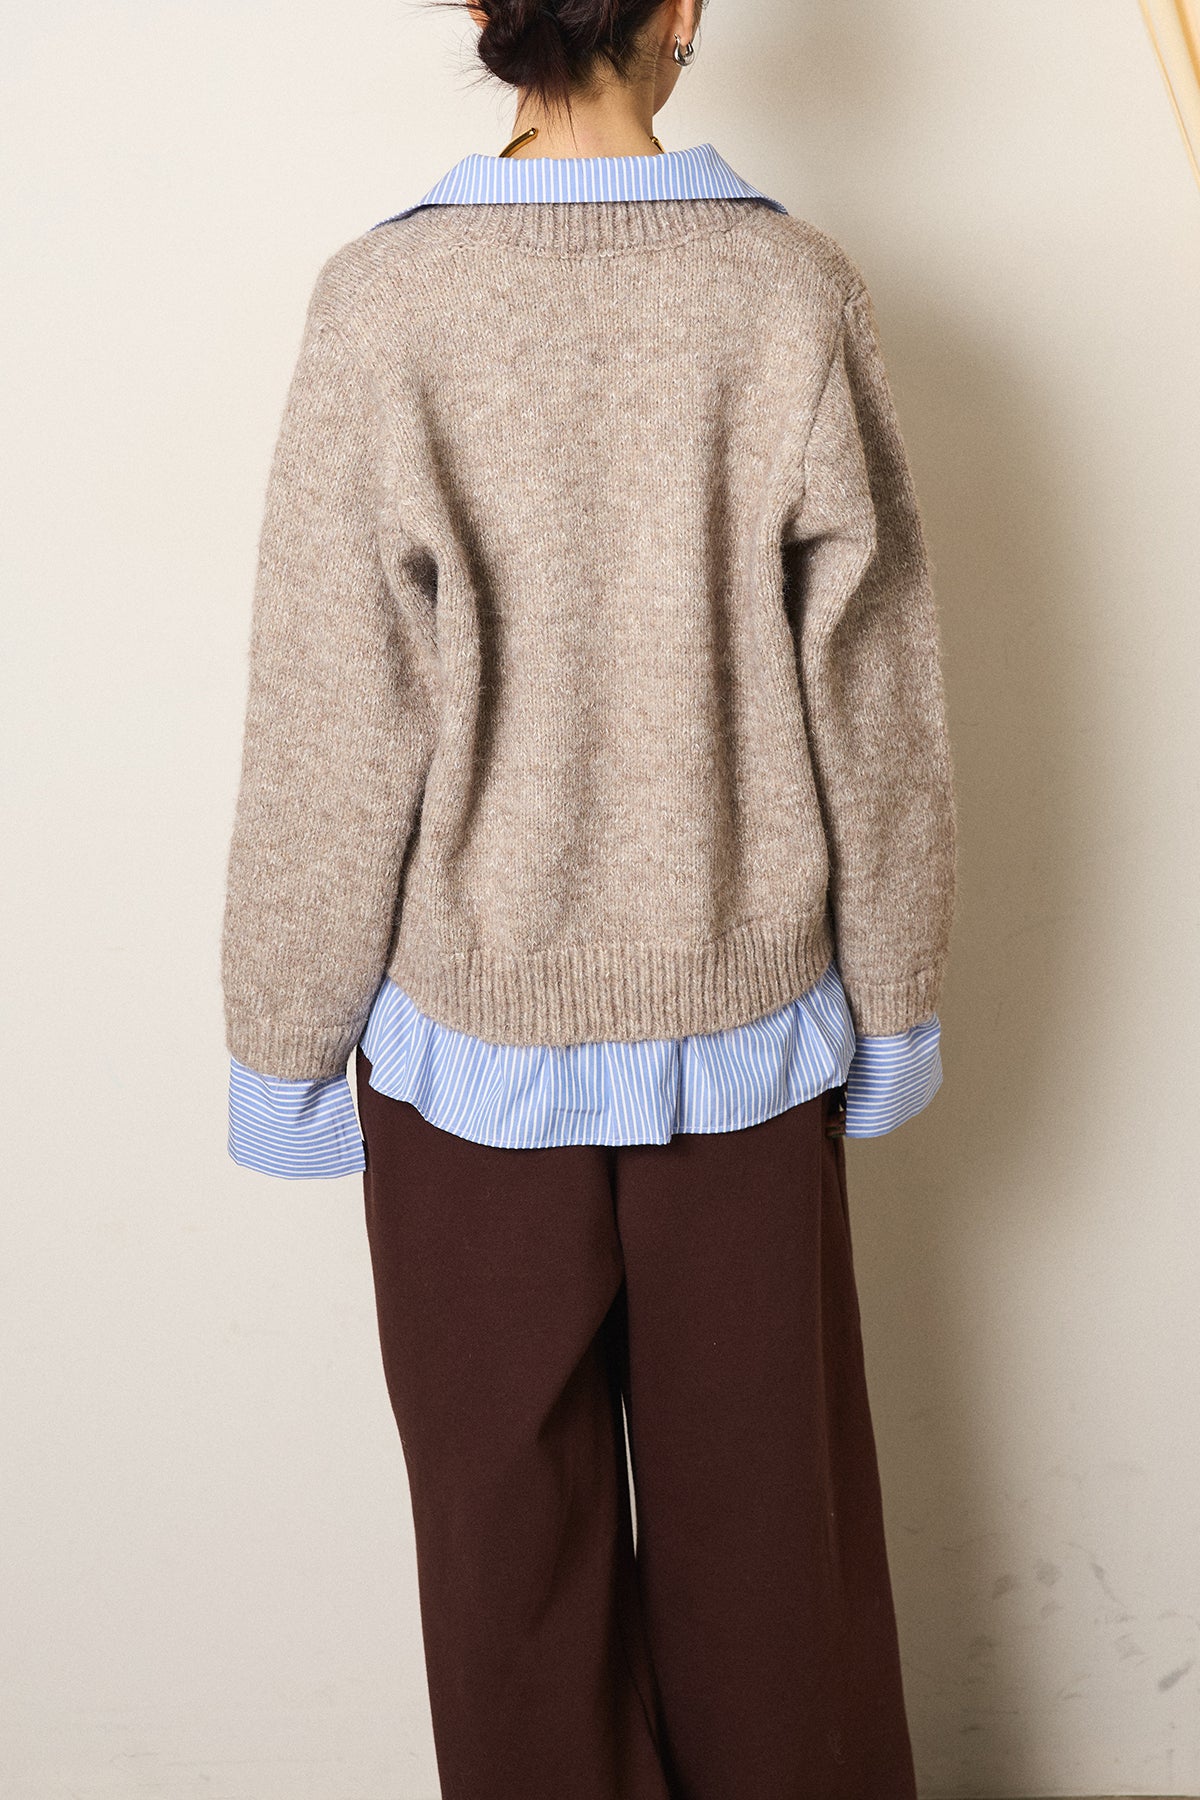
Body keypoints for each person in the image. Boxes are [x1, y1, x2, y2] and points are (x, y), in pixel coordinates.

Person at [219, 1, 958, 1794]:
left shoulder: (381, 305)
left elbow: (333, 714)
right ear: (683, 9)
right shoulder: (791, 290)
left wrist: (281, 1038)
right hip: (746, 1041)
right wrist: (897, 991)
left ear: (483, 10)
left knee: (510, 1583)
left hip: (466, 1059)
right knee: (774, 1567)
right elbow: (874, 696)